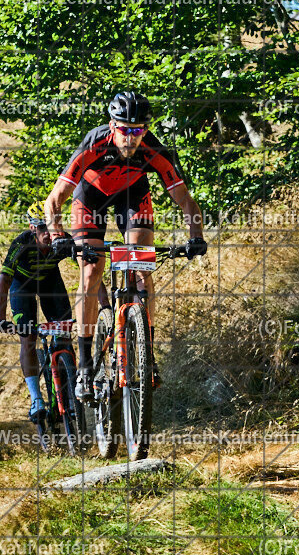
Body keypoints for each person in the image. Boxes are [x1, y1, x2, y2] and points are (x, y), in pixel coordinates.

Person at [43, 91, 208, 401]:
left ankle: (147, 354)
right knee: (92, 271)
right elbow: (54, 199)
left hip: (132, 197)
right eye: (125, 130)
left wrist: (195, 236)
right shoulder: (94, 144)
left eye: (138, 130)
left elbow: (185, 199)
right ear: (112, 126)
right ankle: (85, 365)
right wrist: (58, 236)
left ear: (145, 130)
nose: (131, 138)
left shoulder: (153, 149)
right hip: (89, 196)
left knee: (144, 270)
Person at [0, 203, 79, 423]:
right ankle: (36, 399)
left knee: (64, 335)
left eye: (52, 227)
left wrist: (104, 307)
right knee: (28, 338)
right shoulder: (21, 244)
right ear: (33, 229)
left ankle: (69, 389)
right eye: (43, 228)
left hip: (51, 283)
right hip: (22, 287)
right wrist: (1, 320)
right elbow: (3, 282)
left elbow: (91, 272)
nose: (49, 234)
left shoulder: (63, 240)